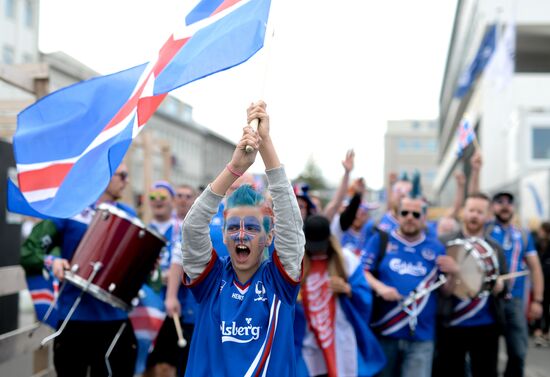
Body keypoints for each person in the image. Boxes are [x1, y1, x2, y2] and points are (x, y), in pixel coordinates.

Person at [180, 101, 305, 376]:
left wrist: (267, 145)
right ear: (223, 235)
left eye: (251, 227)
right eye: (233, 227)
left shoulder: (280, 281)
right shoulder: (210, 278)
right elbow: (191, 229)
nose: (240, 234)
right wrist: (234, 168)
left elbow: (291, 224)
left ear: (269, 235)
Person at [20, 164, 137, 377]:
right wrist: (52, 261)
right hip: (75, 318)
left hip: (115, 320)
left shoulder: (129, 215)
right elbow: (30, 250)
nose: (126, 181)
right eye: (122, 175)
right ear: (104, 174)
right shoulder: (70, 210)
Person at [362, 195, 458, 377]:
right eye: (405, 212)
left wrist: (454, 273)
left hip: (421, 336)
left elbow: (446, 291)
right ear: (397, 215)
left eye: (416, 214)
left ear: (424, 218)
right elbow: (362, 272)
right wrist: (380, 288)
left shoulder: (437, 248)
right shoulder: (380, 241)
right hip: (385, 331)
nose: (410, 217)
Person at [295, 214, 386, 377]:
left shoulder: (346, 259)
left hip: (341, 339)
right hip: (306, 341)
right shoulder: (295, 263)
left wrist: (347, 289)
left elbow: (365, 298)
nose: (316, 250)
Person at [433, 192, 507, 377]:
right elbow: (436, 287)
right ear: (463, 212)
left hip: (486, 325)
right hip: (451, 324)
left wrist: (499, 286)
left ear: (488, 216)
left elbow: (505, 286)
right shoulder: (444, 242)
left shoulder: (495, 247)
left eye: (480, 212)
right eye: (471, 210)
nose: (474, 215)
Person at [487, 191, 544, 377]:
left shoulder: (523, 235)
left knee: (518, 353)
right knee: (486, 355)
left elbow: (535, 268)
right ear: (492, 206)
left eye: (509, 202)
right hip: (488, 301)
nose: (505, 205)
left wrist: (538, 300)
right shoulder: (485, 230)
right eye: (500, 201)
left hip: (515, 302)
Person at [144, 181, 190, 377]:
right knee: (148, 365)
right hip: (148, 305)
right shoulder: (144, 229)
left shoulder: (181, 228)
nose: (158, 201)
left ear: (171, 200)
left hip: (175, 306)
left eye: (163, 197)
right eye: (153, 197)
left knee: (168, 366)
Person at [533, 221, 550, 346]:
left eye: (541, 230)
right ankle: (540, 331)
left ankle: (546, 332)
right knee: (542, 305)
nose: (539, 232)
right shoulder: (538, 244)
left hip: (548, 280)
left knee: (547, 307)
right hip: (541, 280)